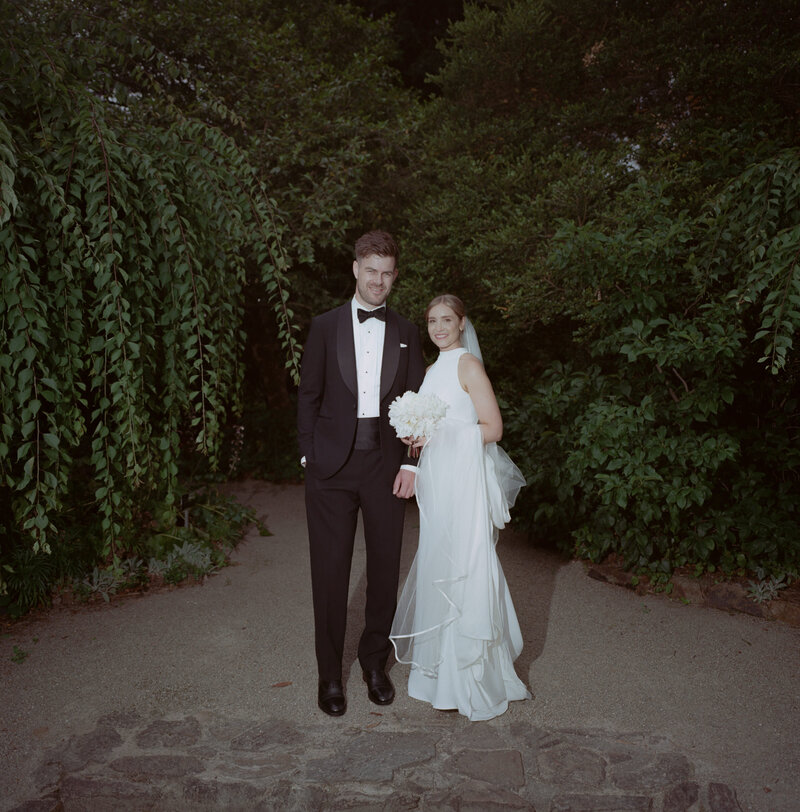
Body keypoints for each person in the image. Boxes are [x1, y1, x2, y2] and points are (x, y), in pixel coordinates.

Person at [297, 230, 426, 717]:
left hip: (385, 469)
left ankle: (374, 664)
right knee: (329, 576)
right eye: (371, 271)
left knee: (383, 572)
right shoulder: (325, 326)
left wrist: (411, 462)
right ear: (355, 269)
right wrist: (309, 456)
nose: (379, 281)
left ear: (395, 275)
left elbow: (417, 406)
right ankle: (329, 676)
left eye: (388, 273)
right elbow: (308, 396)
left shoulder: (407, 332)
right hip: (330, 468)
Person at [390, 294, 530, 721]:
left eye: (446, 320)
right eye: (431, 320)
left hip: (464, 481)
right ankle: (437, 677)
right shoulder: (431, 371)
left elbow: (494, 428)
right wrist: (417, 435)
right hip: (438, 482)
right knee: (437, 563)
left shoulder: (468, 365)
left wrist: (446, 433)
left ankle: (470, 677)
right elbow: (429, 427)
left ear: (462, 322)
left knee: (466, 564)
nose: (438, 328)